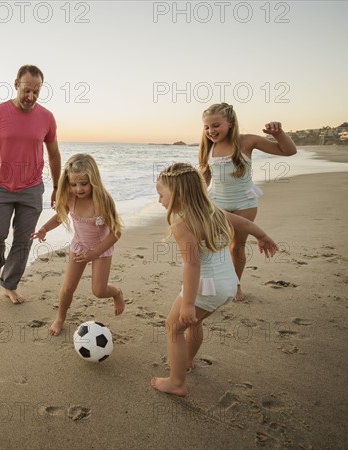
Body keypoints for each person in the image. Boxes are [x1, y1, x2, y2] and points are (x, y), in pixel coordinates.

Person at [150, 163, 278, 396]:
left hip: (204, 288)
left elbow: (192, 264)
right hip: (228, 284)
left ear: (178, 195)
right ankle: (187, 360)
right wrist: (263, 237)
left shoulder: (182, 224)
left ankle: (177, 382)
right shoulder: (214, 212)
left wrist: (188, 303)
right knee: (194, 323)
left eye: (161, 195)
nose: (159, 200)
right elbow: (245, 224)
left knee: (173, 328)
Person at [0, 65, 61, 304]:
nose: (31, 96)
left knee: (23, 240)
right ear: (16, 85)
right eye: (26, 91)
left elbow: (53, 154)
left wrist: (57, 187)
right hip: (1, 186)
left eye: (36, 91)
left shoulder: (47, 117)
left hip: (32, 188)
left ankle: (10, 284)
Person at [199, 103, 296, 302]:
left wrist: (278, 134)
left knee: (236, 247)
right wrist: (196, 199)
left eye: (216, 125)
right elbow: (205, 177)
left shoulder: (247, 141)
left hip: (244, 203)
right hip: (217, 203)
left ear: (231, 123)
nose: (211, 131)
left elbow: (288, 151)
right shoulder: (209, 147)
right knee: (208, 245)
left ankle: (236, 285)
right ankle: (208, 284)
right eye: (207, 127)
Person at [30, 153, 125, 336]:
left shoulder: (103, 201)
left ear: (93, 180)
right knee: (67, 288)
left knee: (98, 290)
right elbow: (60, 217)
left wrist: (95, 253)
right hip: (80, 247)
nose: (78, 189)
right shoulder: (70, 198)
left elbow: (116, 232)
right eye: (73, 184)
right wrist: (44, 229)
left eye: (84, 184)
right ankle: (60, 318)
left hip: (101, 249)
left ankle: (117, 293)